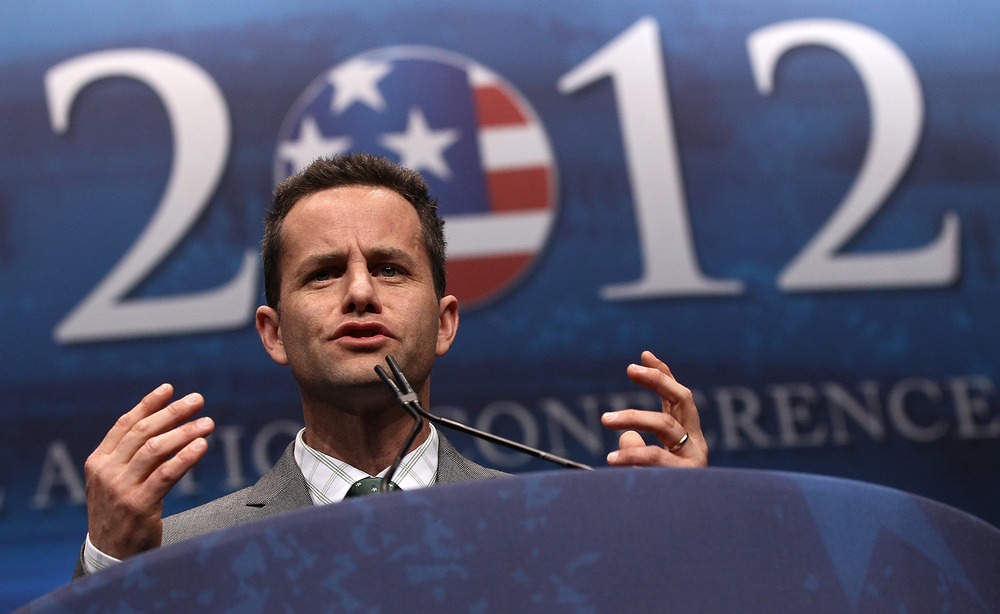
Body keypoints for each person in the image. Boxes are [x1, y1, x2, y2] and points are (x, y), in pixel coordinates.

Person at [74, 152, 709, 577]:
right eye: (324, 273)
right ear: (274, 334)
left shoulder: (557, 530)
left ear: (444, 322)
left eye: (388, 269)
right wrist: (109, 563)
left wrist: (685, 537)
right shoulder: (179, 555)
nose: (360, 293)